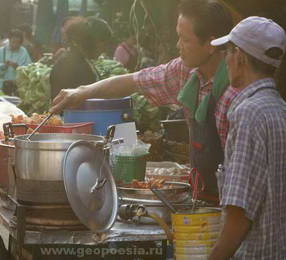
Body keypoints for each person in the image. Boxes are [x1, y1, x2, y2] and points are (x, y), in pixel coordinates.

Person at [51, 0, 238, 203]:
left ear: (211, 45)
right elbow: (134, 81)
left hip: (231, 201)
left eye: (185, 40)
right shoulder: (187, 72)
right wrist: (82, 92)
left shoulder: (235, 91)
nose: (178, 46)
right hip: (199, 196)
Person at [208, 17, 286, 260]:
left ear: (239, 57)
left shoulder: (249, 114)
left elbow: (238, 213)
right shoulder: (279, 108)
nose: (225, 60)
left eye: (227, 52)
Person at [49, 16, 113, 99]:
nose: (105, 49)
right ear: (92, 41)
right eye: (103, 43)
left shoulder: (79, 60)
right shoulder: (72, 64)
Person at [0, 28, 32, 93]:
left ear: (21, 43)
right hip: (2, 86)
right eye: (13, 42)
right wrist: (3, 66)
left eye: (17, 43)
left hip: (18, 86)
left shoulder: (23, 52)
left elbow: (28, 69)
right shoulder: (1, 51)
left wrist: (18, 67)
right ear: (9, 40)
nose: (15, 45)